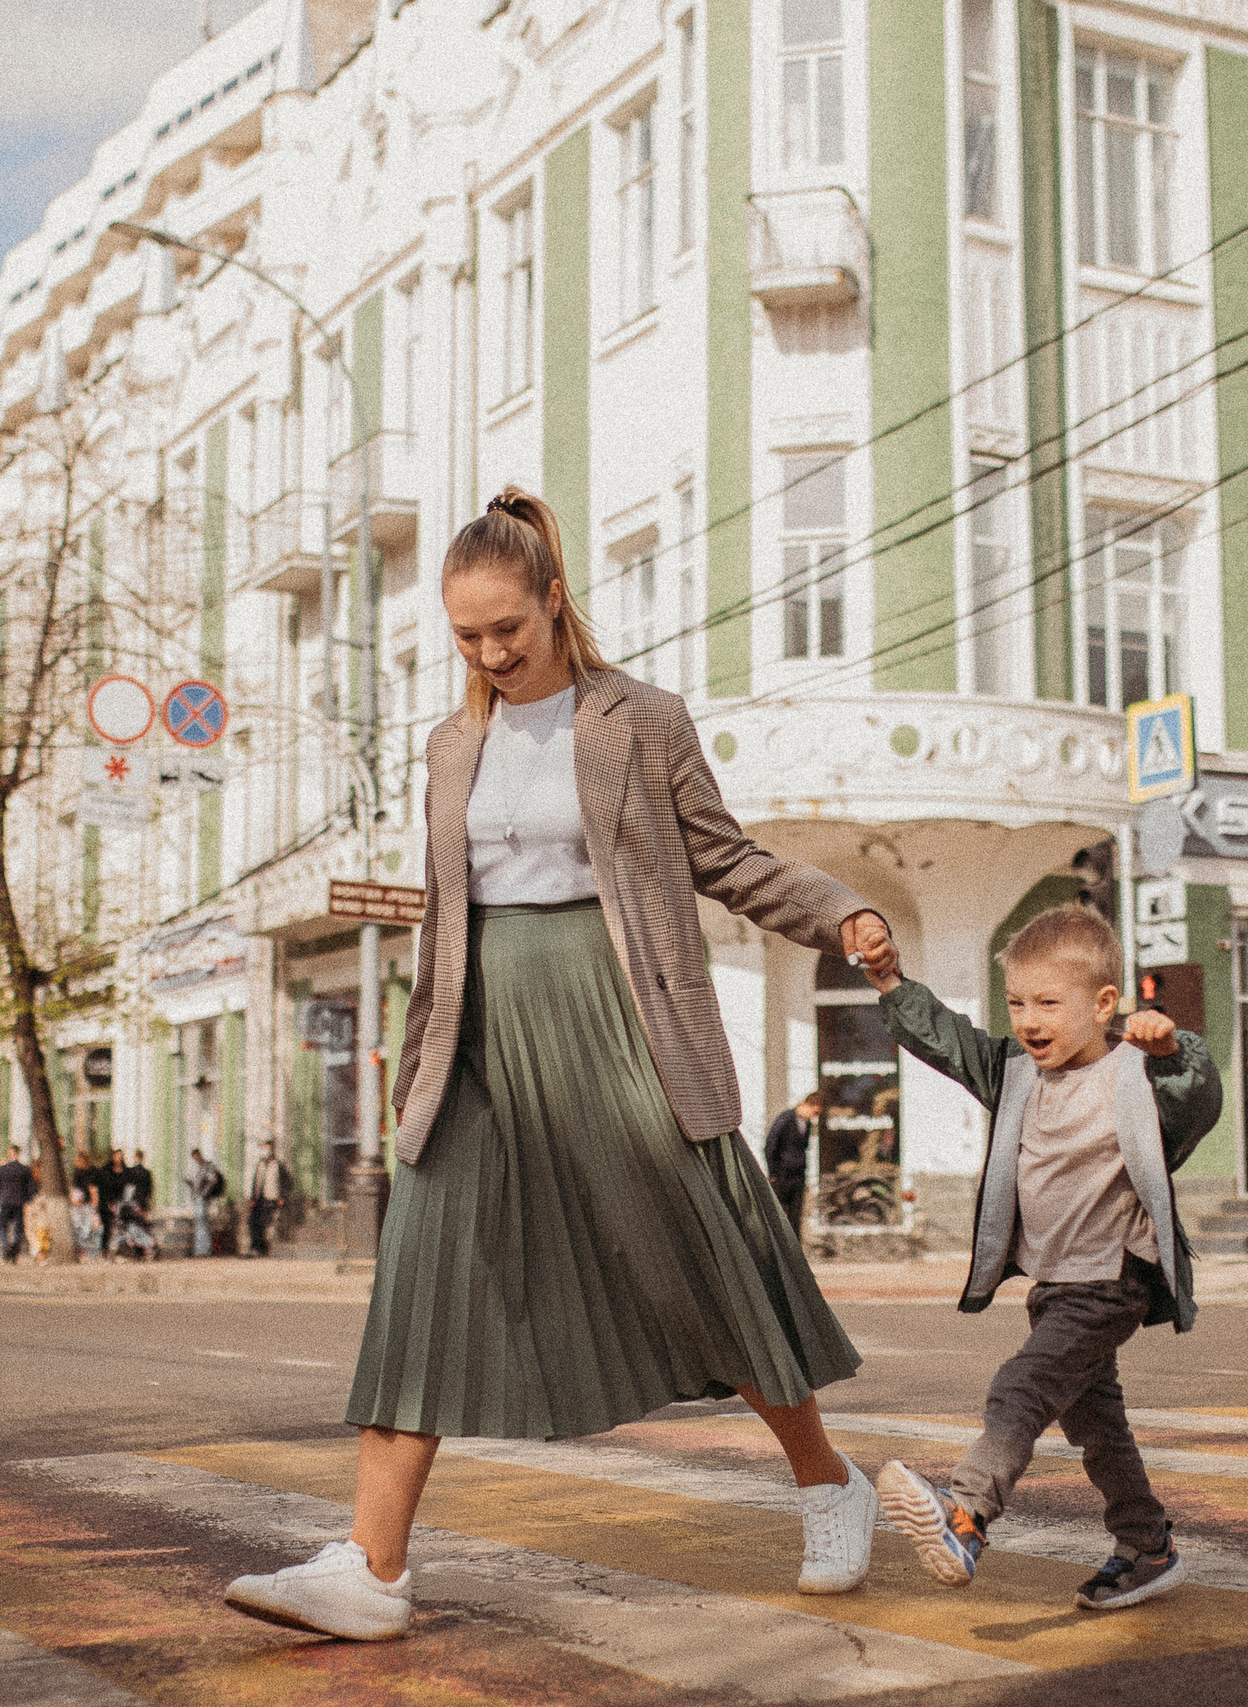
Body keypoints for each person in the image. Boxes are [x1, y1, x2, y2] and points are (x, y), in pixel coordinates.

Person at [224, 486, 898, 1643]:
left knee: (702, 1262)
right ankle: (370, 1569)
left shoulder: (638, 719)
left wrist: (840, 914)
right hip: (477, 1031)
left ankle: (828, 1484)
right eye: (467, 638)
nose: (490, 655)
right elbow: (451, 909)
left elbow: (723, 859)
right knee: (420, 1281)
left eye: (509, 632)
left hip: (617, 1020)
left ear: (552, 600)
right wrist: (418, 1055)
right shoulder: (449, 745)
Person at [859, 903, 1223, 1614]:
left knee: (1019, 1388)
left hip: (1112, 1280)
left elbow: (1197, 1098)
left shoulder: (1136, 1075)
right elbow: (946, 1039)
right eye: (1017, 1001)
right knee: (1098, 1427)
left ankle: (965, 1515)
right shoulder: (1016, 1073)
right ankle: (1147, 1545)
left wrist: (1173, 1049)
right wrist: (892, 981)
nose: (1028, 1019)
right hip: (1058, 1286)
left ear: (1105, 1004)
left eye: (1049, 1003)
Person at [762, 1092, 821, 1234]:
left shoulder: (806, 1124)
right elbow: (771, 1146)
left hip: (798, 1175)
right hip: (782, 1175)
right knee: (780, 1215)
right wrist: (774, 1173)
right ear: (807, 1105)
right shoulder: (785, 1120)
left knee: (795, 1216)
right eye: (815, 1112)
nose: (815, 1117)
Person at [246, 1139, 293, 1256]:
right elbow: (255, 1182)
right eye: (264, 1148)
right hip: (259, 1199)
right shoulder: (260, 1164)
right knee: (253, 1222)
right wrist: (252, 1198)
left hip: (272, 1199)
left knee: (265, 1222)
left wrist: (283, 1197)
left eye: (268, 1148)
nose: (265, 1151)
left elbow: (287, 1182)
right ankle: (255, 1248)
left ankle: (261, 1248)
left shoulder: (278, 1165)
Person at [0, 1145, 35, 1264]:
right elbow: (30, 1187)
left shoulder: (2, 1169)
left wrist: (0, 1198)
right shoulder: (24, 1169)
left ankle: (5, 1249)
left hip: (5, 1202)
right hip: (19, 1203)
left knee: (3, 1227)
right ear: (18, 1153)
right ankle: (14, 1252)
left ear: (10, 1153)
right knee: (18, 1229)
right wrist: (27, 1199)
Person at [185, 1147, 224, 1258]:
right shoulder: (194, 1166)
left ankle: (205, 1249)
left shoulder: (207, 1166)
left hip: (203, 1199)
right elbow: (191, 1180)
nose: (195, 1158)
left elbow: (213, 1180)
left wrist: (204, 1193)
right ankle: (199, 1249)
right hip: (196, 1197)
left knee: (202, 1222)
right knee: (199, 1223)